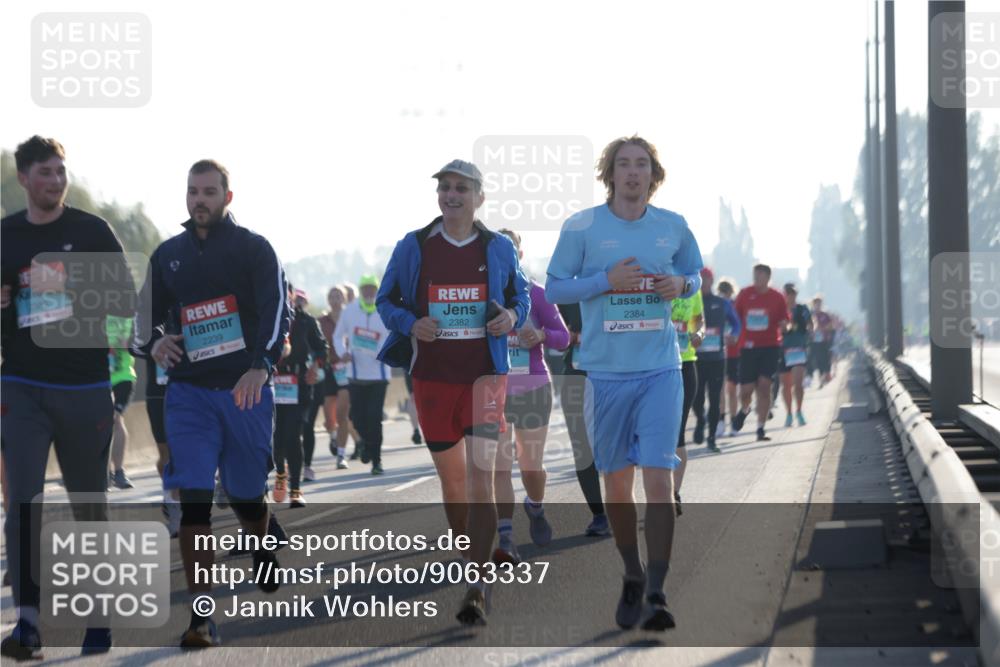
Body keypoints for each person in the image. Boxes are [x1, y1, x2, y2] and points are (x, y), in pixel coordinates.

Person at [546, 135, 703, 631]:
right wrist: (603, 282)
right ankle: (632, 573)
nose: (632, 172)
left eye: (641, 165)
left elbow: (694, 274)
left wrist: (682, 285)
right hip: (607, 374)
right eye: (623, 164)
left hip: (661, 369)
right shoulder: (583, 227)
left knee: (658, 478)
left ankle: (657, 590)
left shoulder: (673, 226)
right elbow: (553, 287)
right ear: (609, 173)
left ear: (652, 175)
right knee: (617, 486)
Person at [132, 159, 289, 648]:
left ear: (227, 197)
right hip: (189, 395)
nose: (199, 200)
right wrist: (153, 344)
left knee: (245, 493)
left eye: (209, 192)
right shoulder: (169, 254)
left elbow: (276, 311)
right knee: (193, 498)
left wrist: (261, 364)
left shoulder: (254, 249)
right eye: (192, 191)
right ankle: (202, 618)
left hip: (245, 391)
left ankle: (262, 540)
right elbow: (143, 320)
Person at [376, 159, 530, 625]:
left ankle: (477, 584)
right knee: (455, 482)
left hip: (486, 377)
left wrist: (511, 318)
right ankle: (468, 553)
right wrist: (410, 322)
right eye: (445, 187)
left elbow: (520, 297)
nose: (451, 195)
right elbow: (387, 301)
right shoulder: (415, 245)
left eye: (461, 188)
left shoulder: (498, 246)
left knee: (481, 479)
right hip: (433, 379)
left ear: (479, 197)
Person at [1, 136, 137, 658]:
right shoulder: (5, 236)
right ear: (23, 180)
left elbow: (124, 295)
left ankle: (98, 617)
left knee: (89, 507)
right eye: (45, 173)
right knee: (22, 503)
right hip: (21, 384)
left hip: (83, 387)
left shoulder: (90, 230)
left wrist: (67, 283)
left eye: (61, 171)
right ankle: (28, 625)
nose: (56, 180)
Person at [492, 228, 570, 564]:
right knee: (498, 465)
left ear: (520, 255)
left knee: (531, 467)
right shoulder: (483, 298)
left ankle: (535, 506)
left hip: (533, 386)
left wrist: (539, 334)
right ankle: (506, 536)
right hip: (493, 390)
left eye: (512, 251)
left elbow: (563, 338)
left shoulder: (536, 294)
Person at [556, 301, 610, 537]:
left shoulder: (615, 285)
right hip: (575, 377)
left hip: (614, 376)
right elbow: (554, 334)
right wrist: (564, 336)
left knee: (614, 446)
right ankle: (599, 515)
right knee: (582, 448)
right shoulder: (564, 292)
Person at [273, 286, 327, 506]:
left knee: (293, 435)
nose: (284, 297)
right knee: (276, 439)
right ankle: (280, 474)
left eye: (287, 293)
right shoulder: (268, 316)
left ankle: (296, 490)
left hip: (299, 384)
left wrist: (316, 367)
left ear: (293, 296)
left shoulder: (306, 321)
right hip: (273, 384)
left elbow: (322, 348)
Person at [333, 274, 390, 474]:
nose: (368, 292)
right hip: (355, 374)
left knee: (374, 418)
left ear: (377, 290)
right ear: (361, 290)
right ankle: (364, 443)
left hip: (379, 375)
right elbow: (337, 336)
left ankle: (377, 460)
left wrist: (385, 352)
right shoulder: (350, 311)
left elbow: (394, 335)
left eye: (372, 289)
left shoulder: (384, 309)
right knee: (357, 417)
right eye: (365, 288)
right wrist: (343, 353)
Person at [731, 265, 789, 442]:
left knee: (764, 387)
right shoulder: (744, 294)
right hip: (748, 347)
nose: (756, 278)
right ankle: (745, 409)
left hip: (770, 347)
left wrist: (784, 325)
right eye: (754, 275)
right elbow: (735, 318)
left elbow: (784, 318)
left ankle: (760, 428)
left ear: (768, 277)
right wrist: (733, 333)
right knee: (746, 391)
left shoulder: (777, 297)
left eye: (760, 275)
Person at [691, 268, 741, 453]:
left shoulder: (722, 303)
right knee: (696, 397)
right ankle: (700, 420)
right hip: (696, 358)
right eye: (700, 279)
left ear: (712, 280)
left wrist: (734, 335)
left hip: (717, 358)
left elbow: (736, 323)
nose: (703, 282)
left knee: (714, 398)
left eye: (706, 279)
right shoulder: (691, 301)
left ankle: (711, 438)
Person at [669, 290, 704, 514]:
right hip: (658, 365)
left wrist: (700, 333)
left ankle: (674, 493)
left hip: (686, 363)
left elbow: (699, 318)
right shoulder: (655, 279)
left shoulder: (693, 286)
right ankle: (661, 491)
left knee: (678, 432)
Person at [107, 314, 137, 489]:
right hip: (96, 378)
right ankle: (106, 472)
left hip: (123, 376)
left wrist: (120, 343)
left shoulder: (124, 311)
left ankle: (118, 472)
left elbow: (133, 342)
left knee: (115, 419)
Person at [780, 284, 811, 426]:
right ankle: (788, 414)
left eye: (793, 293)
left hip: (798, 349)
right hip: (782, 350)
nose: (791, 296)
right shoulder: (779, 309)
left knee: (798, 384)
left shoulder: (802, 309)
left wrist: (808, 329)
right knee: (786, 385)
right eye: (788, 293)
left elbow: (810, 324)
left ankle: (799, 411)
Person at [717, 279, 742, 438]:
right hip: (718, 352)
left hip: (734, 352)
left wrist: (733, 335)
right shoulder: (715, 304)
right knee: (720, 390)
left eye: (727, 292)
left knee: (732, 389)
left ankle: (733, 422)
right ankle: (720, 421)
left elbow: (739, 325)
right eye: (722, 292)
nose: (725, 295)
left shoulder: (735, 306)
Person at [810, 295, 834, 387]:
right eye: (816, 304)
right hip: (815, 341)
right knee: (818, 359)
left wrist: (823, 328)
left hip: (824, 340)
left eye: (819, 304)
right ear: (813, 305)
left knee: (826, 358)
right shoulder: (811, 315)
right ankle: (821, 378)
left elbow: (831, 326)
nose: (817, 306)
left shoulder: (825, 315)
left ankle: (826, 373)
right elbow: (808, 327)